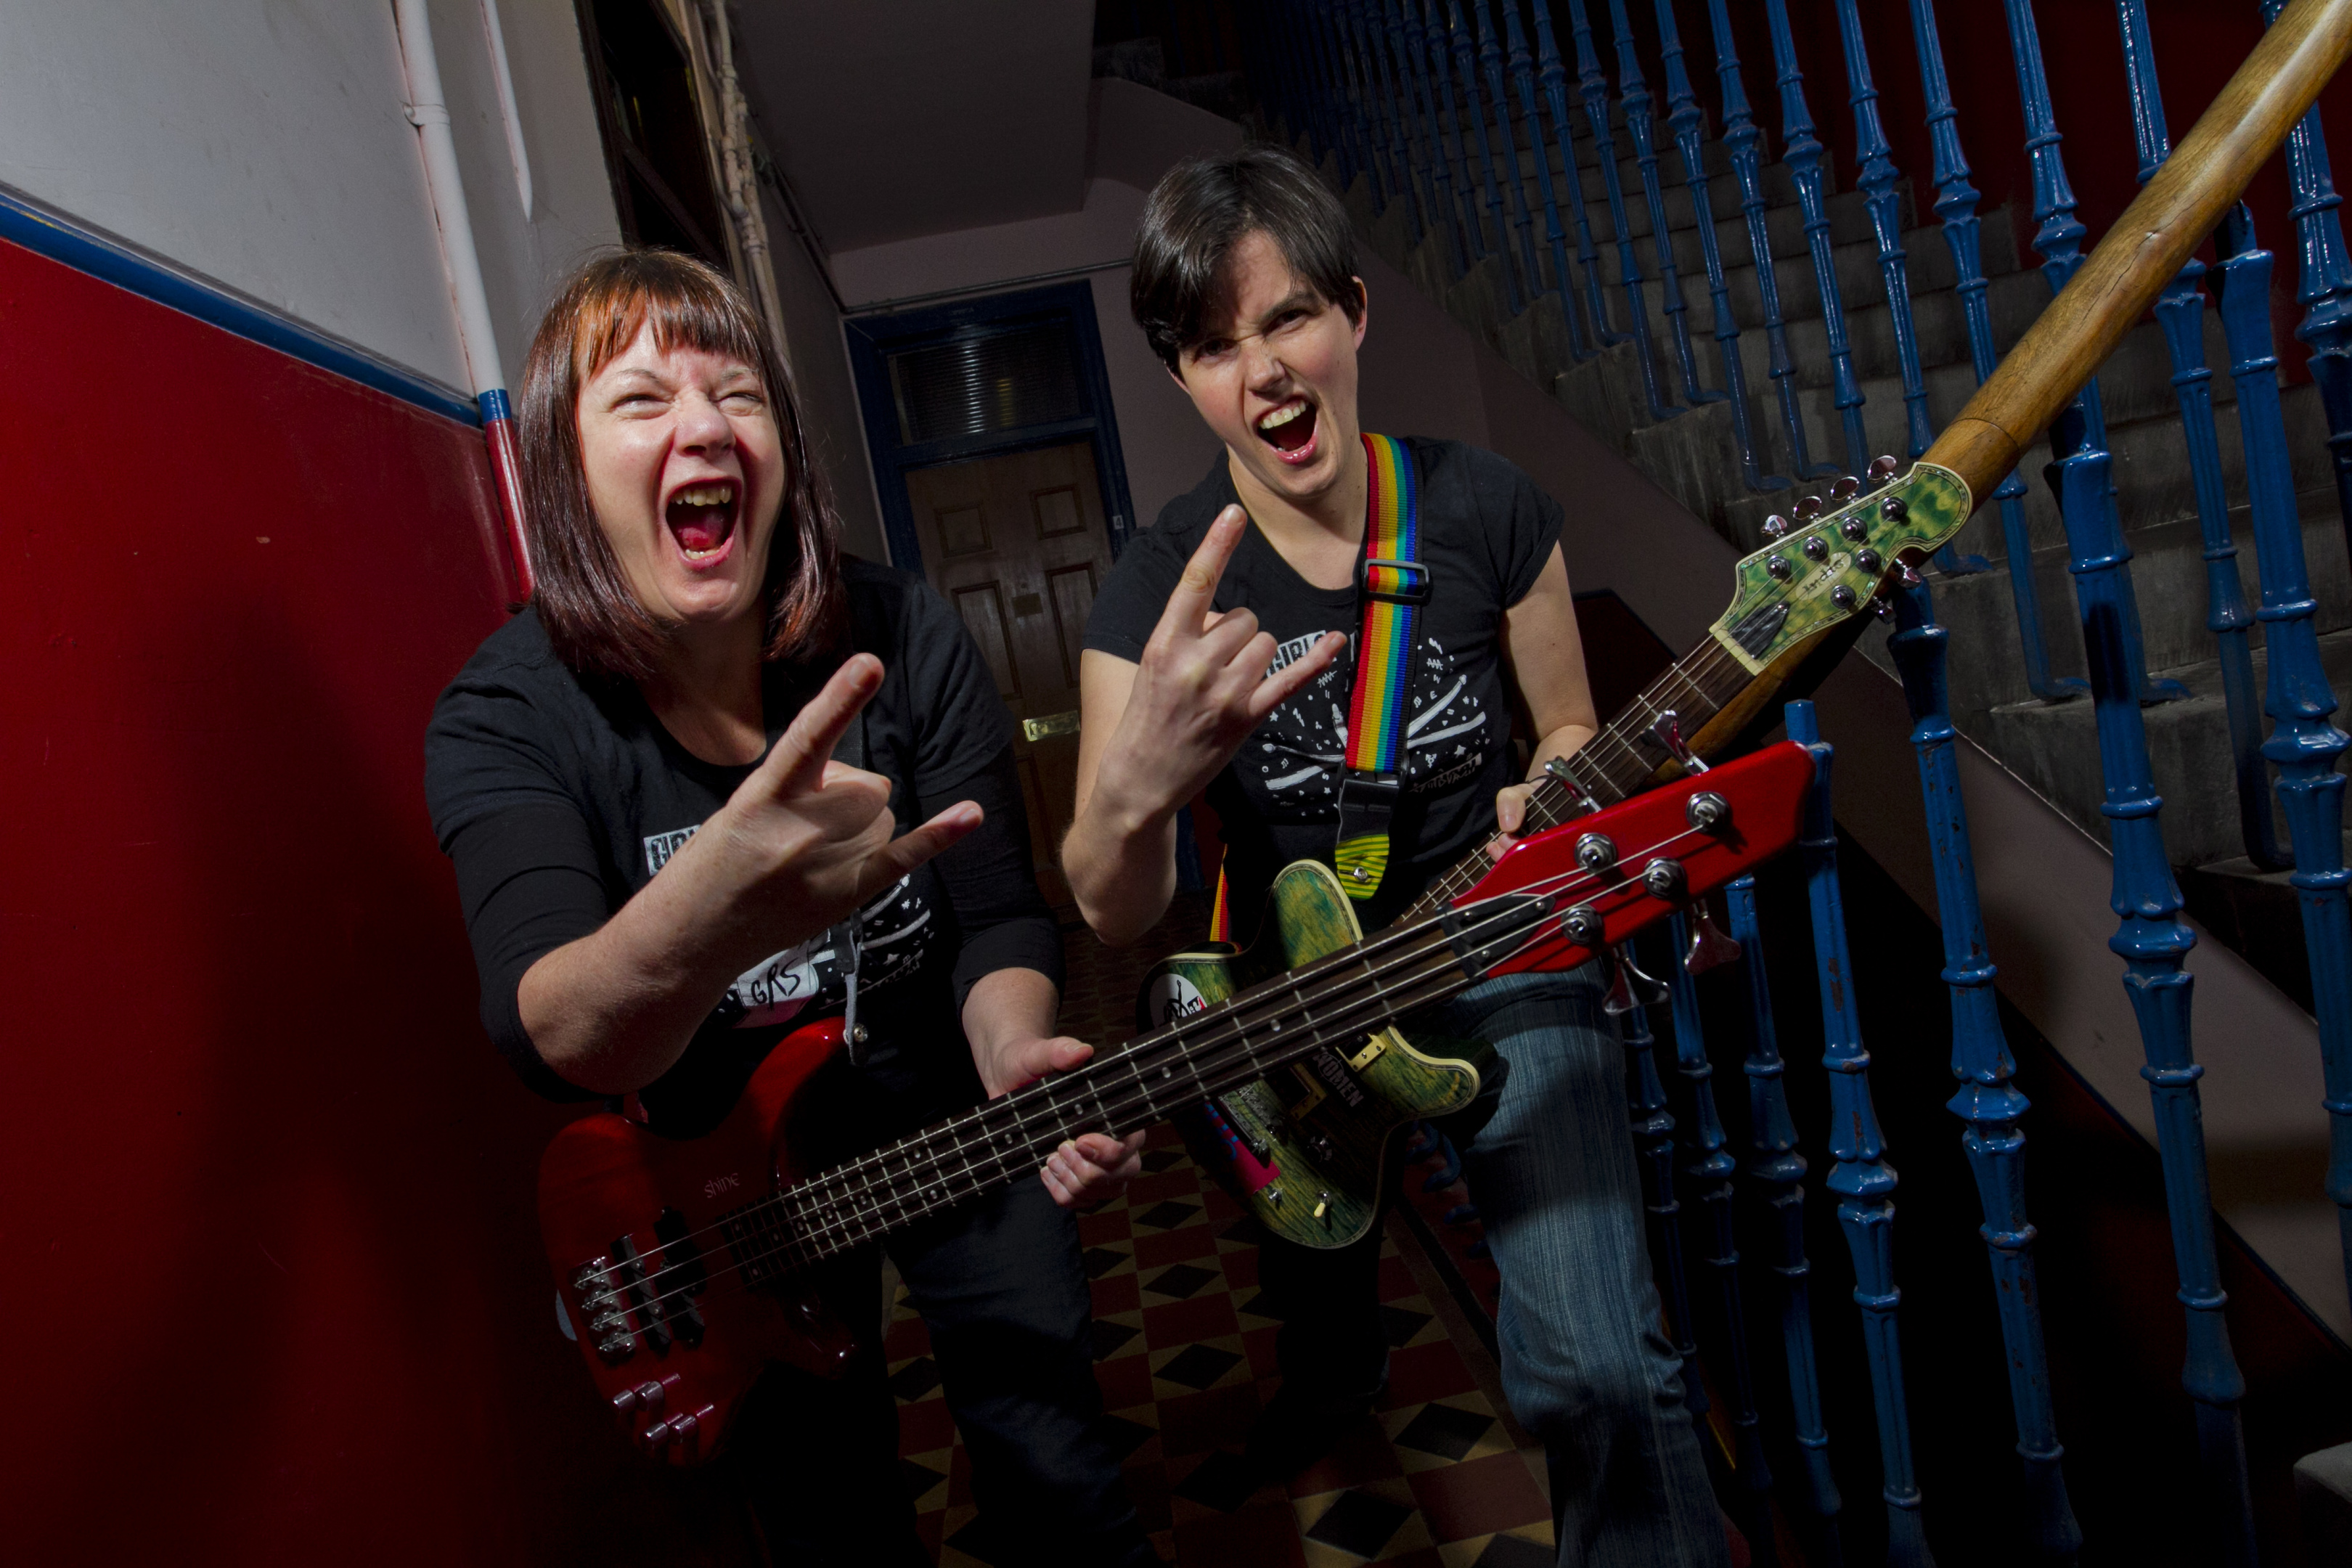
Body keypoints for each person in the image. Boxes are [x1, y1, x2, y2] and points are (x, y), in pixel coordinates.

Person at [424, 250, 1156, 1567]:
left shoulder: (901, 631)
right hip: (725, 1204)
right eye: (643, 400)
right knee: (834, 1522)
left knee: (1060, 1468)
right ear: (560, 473)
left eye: (739, 394)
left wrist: (1011, 1057)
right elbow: (553, 1034)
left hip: (941, 1123)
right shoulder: (508, 713)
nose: (704, 426)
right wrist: (720, 898)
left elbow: (994, 912)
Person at [1063, 147, 1728, 1566]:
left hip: (1499, 958)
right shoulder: (1158, 586)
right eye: (1212, 345)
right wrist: (1137, 793)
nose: (1263, 373)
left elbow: (1567, 731)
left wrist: (1550, 782)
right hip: (1294, 1019)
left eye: (1288, 316)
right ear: (1183, 378)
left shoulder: (1488, 508)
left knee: (1602, 1369)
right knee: (1321, 1301)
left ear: (1356, 314)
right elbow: (1104, 895)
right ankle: (1332, 1373)